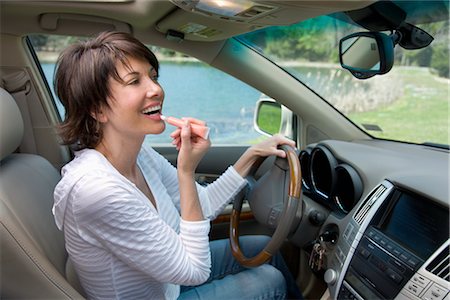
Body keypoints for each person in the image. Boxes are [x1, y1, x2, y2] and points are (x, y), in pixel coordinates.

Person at [52, 31, 301, 300]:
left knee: (263, 247)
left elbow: (201, 205)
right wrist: (186, 170)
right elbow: (195, 271)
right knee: (269, 280)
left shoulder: (140, 156)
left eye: (153, 76)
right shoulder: (97, 190)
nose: (156, 89)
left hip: (167, 284)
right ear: (98, 109)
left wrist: (251, 156)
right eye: (135, 81)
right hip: (166, 290)